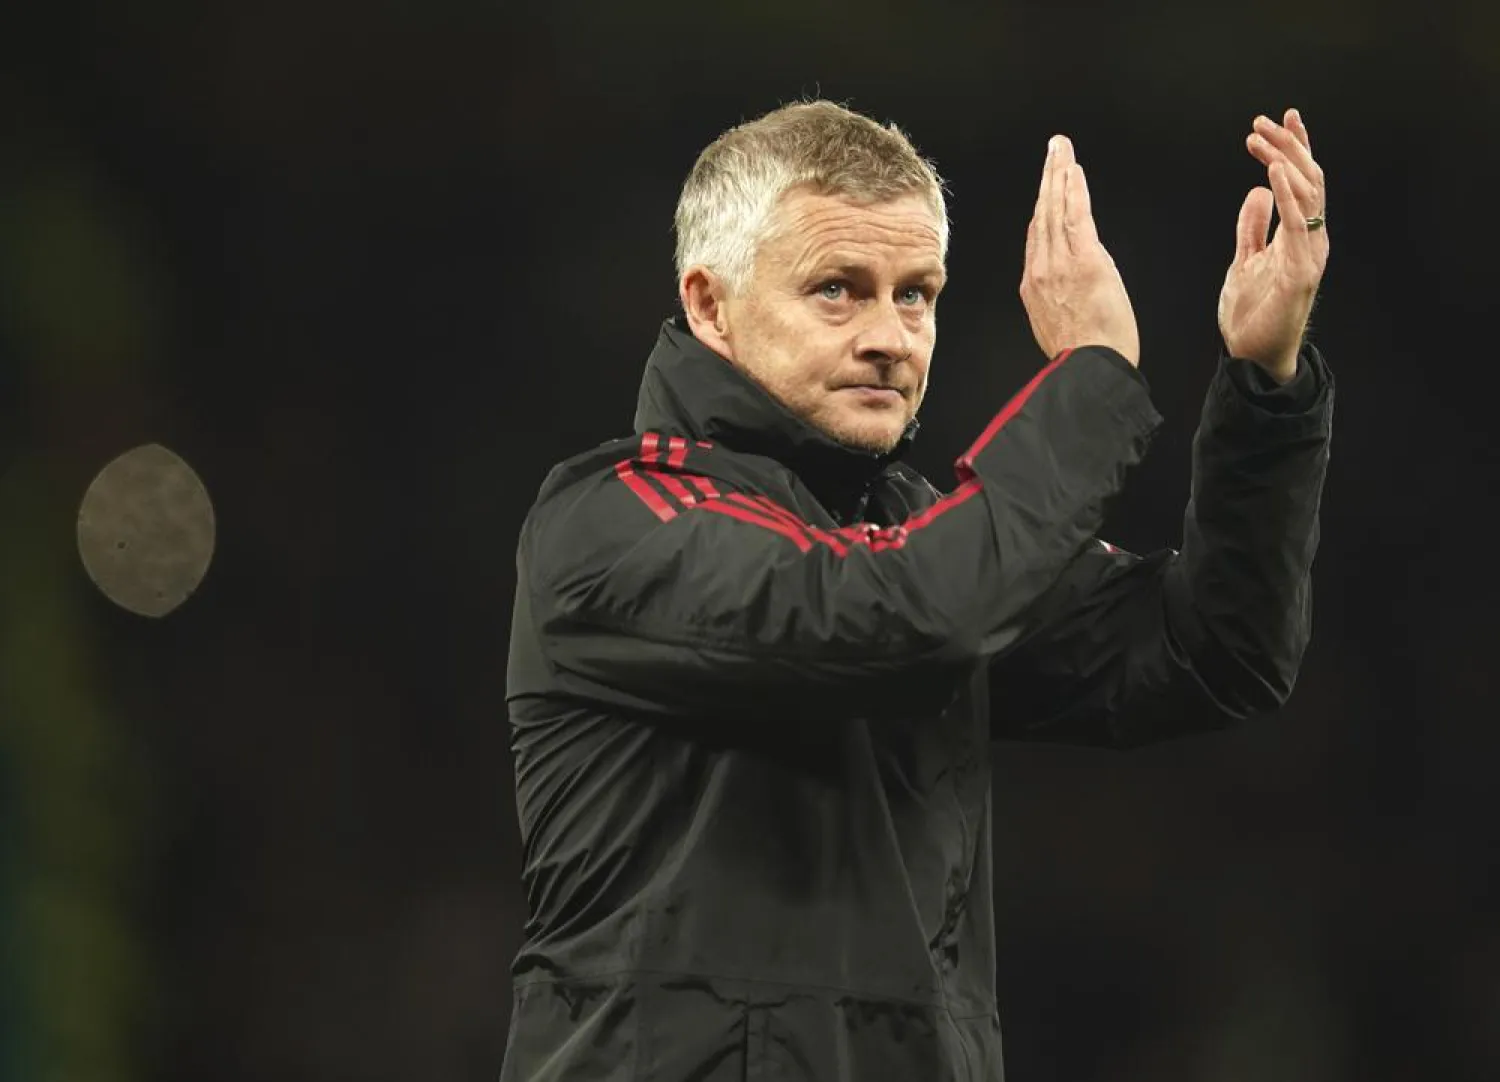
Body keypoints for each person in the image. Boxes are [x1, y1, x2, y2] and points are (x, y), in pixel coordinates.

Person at [500, 100, 1333, 1081]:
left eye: (916, 294)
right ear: (710, 304)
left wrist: (1265, 385)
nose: (892, 336)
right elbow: (895, 618)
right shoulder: (611, 520)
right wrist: (1092, 378)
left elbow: (1214, 652)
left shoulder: (922, 539)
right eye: (837, 291)